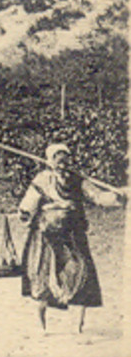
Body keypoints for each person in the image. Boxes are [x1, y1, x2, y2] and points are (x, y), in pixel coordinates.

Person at [17, 142, 121, 333]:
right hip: (46, 236)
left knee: (82, 276)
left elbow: (97, 196)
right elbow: (28, 203)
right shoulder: (42, 180)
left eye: (65, 160)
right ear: (50, 162)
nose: (62, 164)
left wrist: (116, 197)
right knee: (42, 279)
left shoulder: (78, 180)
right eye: (57, 160)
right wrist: (25, 212)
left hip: (73, 235)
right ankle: (41, 326)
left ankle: (78, 327)